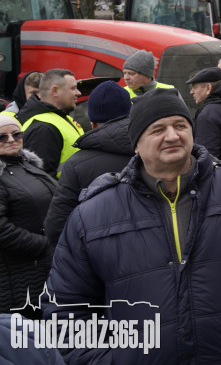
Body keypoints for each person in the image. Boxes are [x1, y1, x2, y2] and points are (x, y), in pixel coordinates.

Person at [46, 89, 221, 363]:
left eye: (180, 125)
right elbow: (67, 301)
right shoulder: (94, 213)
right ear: (136, 144)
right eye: (157, 129)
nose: (172, 136)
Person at [43, 81, 133, 245]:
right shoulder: (153, 150)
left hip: (97, 251)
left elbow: (56, 227)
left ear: (93, 124)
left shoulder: (76, 165)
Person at [0, 115, 56, 318]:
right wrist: (42, 245)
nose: (11, 140)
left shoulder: (27, 165)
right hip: (18, 276)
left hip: (43, 267)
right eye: (2, 137)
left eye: (16, 134)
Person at [17, 69, 83, 178]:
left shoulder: (61, 118)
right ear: (55, 91)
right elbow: (41, 179)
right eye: (73, 88)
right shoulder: (42, 128)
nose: (78, 93)